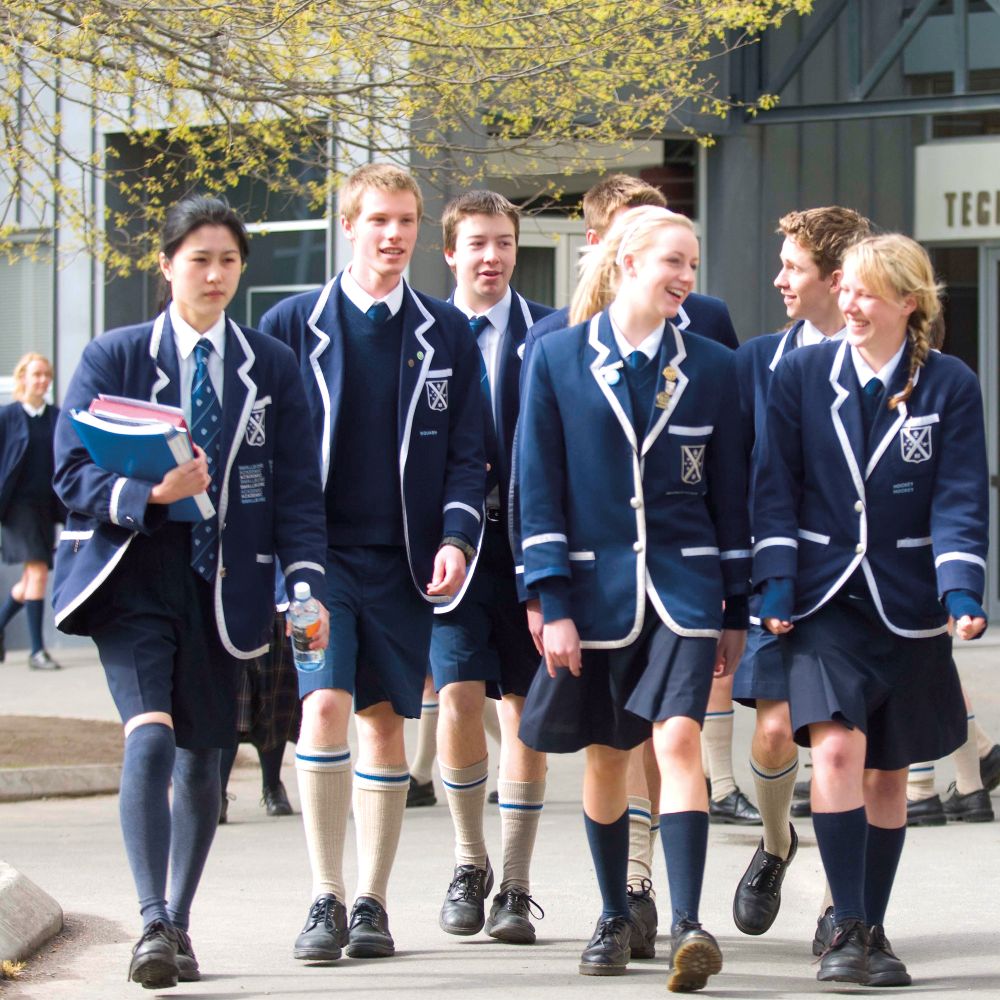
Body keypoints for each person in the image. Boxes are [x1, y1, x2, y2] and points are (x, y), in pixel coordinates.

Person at [51, 194, 329, 990]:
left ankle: (177, 920)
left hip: (226, 584)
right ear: (167, 265)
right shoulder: (114, 356)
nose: (214, 274)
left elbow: (295, 490)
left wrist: (304, 585)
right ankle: (149, 921)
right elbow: (69, 471)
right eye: (199, 259)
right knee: (149, 737)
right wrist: (150, 495)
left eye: (228, 261)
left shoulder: (269, 366)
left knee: (206, 758)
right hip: (133, 577)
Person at [517, 205, 749, 990]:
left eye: (693, 264)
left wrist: (736, 608)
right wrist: (551, 602)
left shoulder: (715, 366)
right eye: (673, 262)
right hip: (595, 592)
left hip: (687, 590)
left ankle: (688, 923)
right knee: (609, 755)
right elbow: (537, 488)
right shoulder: (555, 357)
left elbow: (730, 497)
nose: (686, 277)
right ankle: (615, 913)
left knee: (678, 739)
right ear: (626, 263)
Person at [260, 163, 485, 963]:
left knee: (386, 722)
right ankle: (324, 895)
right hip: (313, 565)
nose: (394, 235)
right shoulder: (291, 324)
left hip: (403, 566)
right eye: (379, 220)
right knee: (322, 706)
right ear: (349, 224)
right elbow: (267, 450)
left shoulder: (445, 331)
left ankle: (371, 904)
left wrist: (457, 540)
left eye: (406, 221)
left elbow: (467, 456)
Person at [754, 233, 988, 986]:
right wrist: (776, 583)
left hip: (908, 600)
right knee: (834, 754)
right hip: (822, 597)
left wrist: (961, 590)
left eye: (866, 293)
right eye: (845, 289)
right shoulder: (800, 374)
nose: (850, 305)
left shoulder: (949, 383)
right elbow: (774, 488)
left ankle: (873, 927)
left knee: (888, 775)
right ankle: (846, 926)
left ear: (908, 303)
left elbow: (959, 496)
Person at [730, 206, 871, 938]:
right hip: (779, 575)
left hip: (860, 587)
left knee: (846, 746)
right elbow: (737, 476)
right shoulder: (758, 361)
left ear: (836, 279)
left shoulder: (885, 359)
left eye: (794, 267)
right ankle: (776, 841)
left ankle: (836, 904)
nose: (780, 279)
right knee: (776, 732)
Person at [431, 190, 553, 944]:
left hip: (530, 547)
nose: (492, 256)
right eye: (477, 243)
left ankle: (515, 882)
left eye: (504, 242)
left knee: (525, 710)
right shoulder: (426, 333)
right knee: (456, 696)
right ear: (451, 252)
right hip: (454, 549)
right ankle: (468, 860)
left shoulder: (549, 331)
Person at [0, 353, 64, 669]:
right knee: (37, 571)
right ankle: (37, 651)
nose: (42, 380)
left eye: (46, 375)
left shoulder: (56, 417)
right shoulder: (7, 416)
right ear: (22, 377)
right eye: (36, 374)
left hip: (44, 508)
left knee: (28, 581)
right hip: (17, 508)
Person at [218, 608, 302, 823]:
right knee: (230, 706)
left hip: (274, 608)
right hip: (228, 612)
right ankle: (217, 794)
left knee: (275, 701)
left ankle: (272, 787)